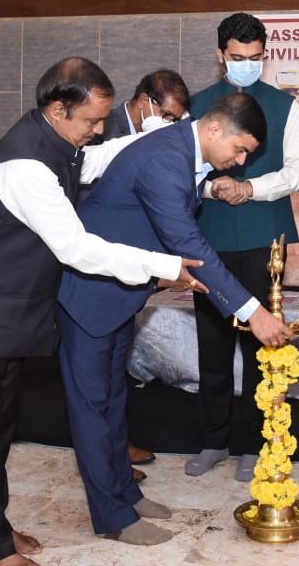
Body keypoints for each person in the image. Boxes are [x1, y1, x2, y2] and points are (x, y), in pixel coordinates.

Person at [0, 56, 205, 566]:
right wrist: (162, 266)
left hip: (6, 316)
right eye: (92, 121)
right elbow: (76, 249)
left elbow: (97, 161)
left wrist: (174, 138)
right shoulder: (24, 166)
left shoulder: (59, 145)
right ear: (58, 109)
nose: (99, 130)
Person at [56, 92, 295, 547]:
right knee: (92, 410)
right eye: (239, 149)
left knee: (113, 401)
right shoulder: (166, 158)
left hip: (120, 293)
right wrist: (254, 311)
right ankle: (113, 517)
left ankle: (125, 494)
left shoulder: (185, 155)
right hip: (90, 295)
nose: (241, 161)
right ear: (214, 129)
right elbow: (188, 241)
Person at [185, 13, 299, 481]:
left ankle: (255, 444)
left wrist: (250, 187)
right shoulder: (197, 105)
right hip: (209, 237)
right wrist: (212, 187)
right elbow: (179, 169)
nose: (247, 64)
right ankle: (213, 440)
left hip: (264, 238)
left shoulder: (285, 105)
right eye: (238, 57)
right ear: (220, 55)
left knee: (261, 345)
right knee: (213, 345)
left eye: (256, 57)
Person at [78, 68, 191, 469]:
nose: (173, 126)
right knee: (93, 373)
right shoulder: (97, 130)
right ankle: (104, 461)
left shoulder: (159, 135)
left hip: (134, 266)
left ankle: (117, 446)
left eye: (179, 120)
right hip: (91, 265)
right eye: (169, 116)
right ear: (145, 102)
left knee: (117, 364)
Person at [102, 69, 189, 139]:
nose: (169, 123)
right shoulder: (103, 131)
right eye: (166, 114)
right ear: (143, 100)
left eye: (175, 119)